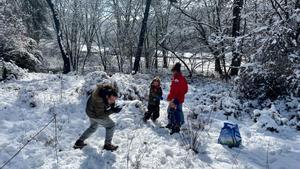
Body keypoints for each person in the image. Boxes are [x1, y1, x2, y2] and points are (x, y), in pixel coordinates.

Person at [74, 84, 122, 151]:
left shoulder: (106, 91)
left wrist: (112, 105)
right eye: (111, 100)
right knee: (111, 126)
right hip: (95, 114)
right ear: (107, 96)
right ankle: (107, 145)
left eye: (114, 100)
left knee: (93, 127)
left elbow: (109, 101)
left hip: (90, 111)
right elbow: (100, 115)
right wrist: (112, 110)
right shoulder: (99, 100)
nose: (113, 102)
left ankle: (79, 142)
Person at [166, 62, 188, 134]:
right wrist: (170, 97)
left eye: (173, 71)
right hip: (174, 98)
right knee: (170, 110)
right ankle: (171, 123)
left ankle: (178, 125)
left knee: (177, 112)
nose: (172, 73)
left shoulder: (180, 79)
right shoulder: (175, 78)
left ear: (176, 71)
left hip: (177, 99)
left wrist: (176, 99)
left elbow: (183, 90)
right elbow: (172, 89)